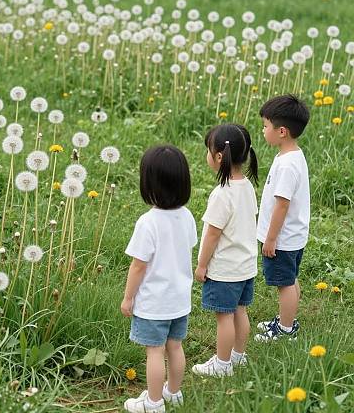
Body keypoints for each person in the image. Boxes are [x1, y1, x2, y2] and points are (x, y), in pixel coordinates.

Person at [121, 144, 196, 412]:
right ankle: (173, 393)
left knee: (155, 351)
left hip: (154, 303)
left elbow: (138, 266)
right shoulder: (187, 216)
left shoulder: (148, 223)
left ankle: (153, 404)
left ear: (148, 185)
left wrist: (129, 297)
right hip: (179, 300)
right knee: (175, 346)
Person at [193, 123, 259, 377]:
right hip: (245, 266)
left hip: (224, 269)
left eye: (209, 151)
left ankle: (222, 365)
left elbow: (212, 234)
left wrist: (201, 264)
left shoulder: (222, 194)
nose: (207, 156)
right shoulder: (247, 187)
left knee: (224, 318)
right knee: (240, 311)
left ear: (219, 156)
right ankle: (237, 356)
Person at [255, 94, 310, 341]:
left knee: (285, 283)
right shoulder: (292, 156)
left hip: (282, 239)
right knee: (291, 278)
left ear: (282, 131)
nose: (263, 130)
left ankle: (286, 330)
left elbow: (282, 205)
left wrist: (270, 238)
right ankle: (288, 320)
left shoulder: (287, 165)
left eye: (266, 126)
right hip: (293, 236)